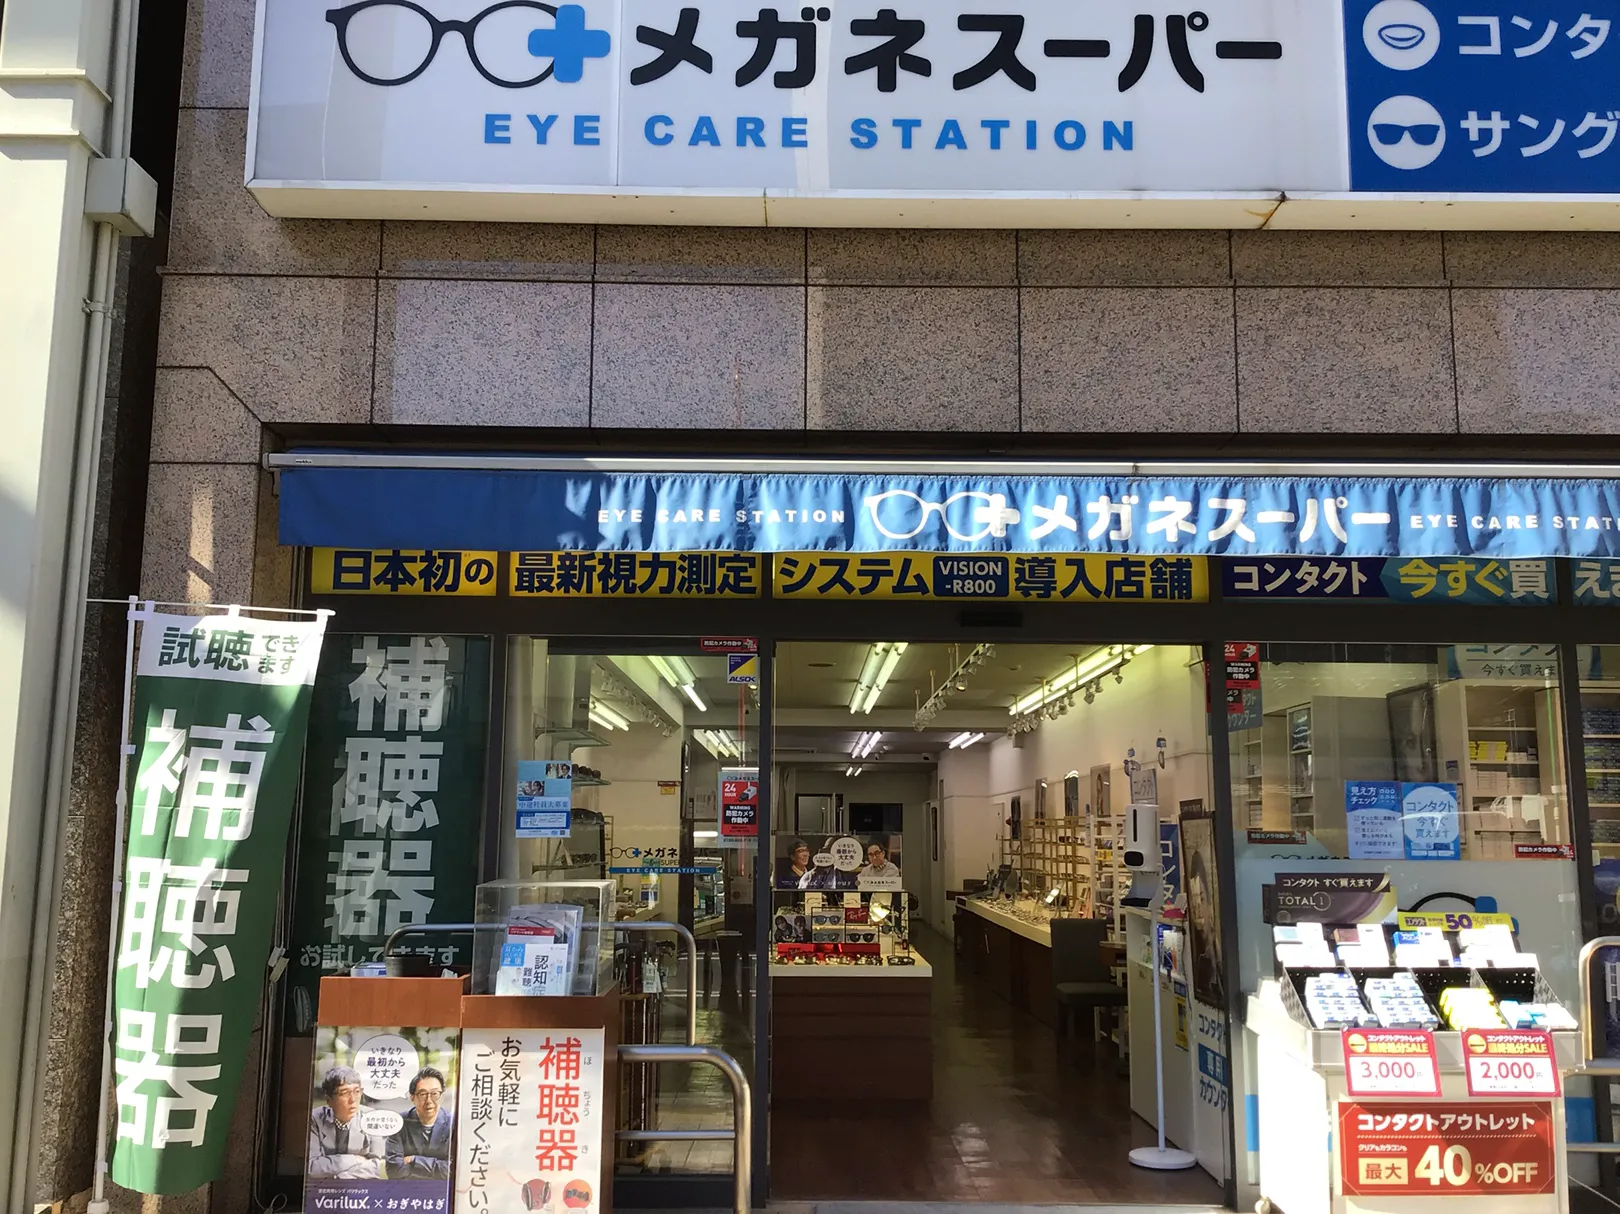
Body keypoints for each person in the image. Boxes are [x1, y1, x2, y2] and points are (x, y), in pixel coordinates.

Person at [308, 1065, 386, 1178]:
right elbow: (311, 1167)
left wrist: (341, 1178)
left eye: (357, 1091)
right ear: (329, 1100)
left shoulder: (372, 1118)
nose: (353, 1100)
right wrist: (354, 1160)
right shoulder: (314, 1120)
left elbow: (380, 1166)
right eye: (344, 1093)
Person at [387, 1066, 453, 1178]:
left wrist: (414, 1160)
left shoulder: (454, 1124)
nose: (429, 1101)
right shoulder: (398, 1123)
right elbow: (393, 1170)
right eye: (422, 1094)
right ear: (412, 1098)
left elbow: (454, 1170)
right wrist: (438, 1168)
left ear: (441, 1096)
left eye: (435, 1094)